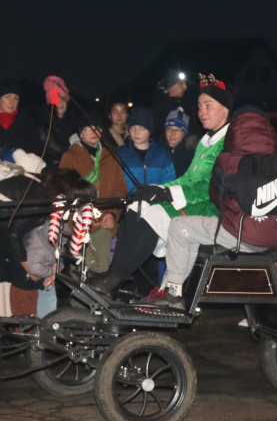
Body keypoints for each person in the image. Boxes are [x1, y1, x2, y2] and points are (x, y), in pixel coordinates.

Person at [144, 109, 277, 309]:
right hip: (272, 238)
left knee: (180, 226)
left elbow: (216, 197)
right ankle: (177, 293)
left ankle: (172, 293)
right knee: (193, 231)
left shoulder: (229, 159)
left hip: (241, 234)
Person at [90, 76, 233, 294]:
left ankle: (116, 278)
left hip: (210, 206)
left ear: (225, 109)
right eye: (199, 106)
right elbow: (188, 179)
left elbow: (209, 186)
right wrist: (158, 190)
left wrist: (168, 194)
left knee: (154, 214)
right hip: (194, 199)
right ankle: (115, 272)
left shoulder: (227, 143)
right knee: (136, 207)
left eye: (208, 105)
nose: (201, 111)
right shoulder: (206, 141)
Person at [58, 119, 127, 273]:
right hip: (79, 223)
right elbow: (63, 191)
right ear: (80, 134)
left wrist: (113, 214)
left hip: (104, 222)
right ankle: (79, 295)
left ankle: (97, 293)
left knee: (101, 266)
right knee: (82, 268)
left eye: (96, 128)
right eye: (88, 129)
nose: (93, 133)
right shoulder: (70, 156)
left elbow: (120, 188)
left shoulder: (110, 156)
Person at [117, 106, 175, 193]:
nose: (136, 132)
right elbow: (116, 184)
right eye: (133, 128)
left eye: (142, 128)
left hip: (157, 204)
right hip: (130, 204)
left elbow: (170, 182)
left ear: (150, 130)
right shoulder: (121, 155)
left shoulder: (162, 154)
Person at [38, 76, 84, 164]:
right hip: (53, 170)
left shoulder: (75, 120)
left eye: (64, 98)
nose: (60, 101)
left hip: (74, 165)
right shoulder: (43, 124)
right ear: (50, 102)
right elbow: (58, 151)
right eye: (56, 98)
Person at [149, 69, 203, 142]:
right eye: (181, 83)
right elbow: (155, 134)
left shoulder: (188, 101)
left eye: (185, 83)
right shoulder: (158, 108)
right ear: (172, 85)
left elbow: (194, 126)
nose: (185, 87)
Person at [162, 108, 194, 177]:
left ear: (184, 133)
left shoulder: (192, 155)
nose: (172, 133)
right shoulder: (157, 151)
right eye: (169, 129)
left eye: (177, 130)